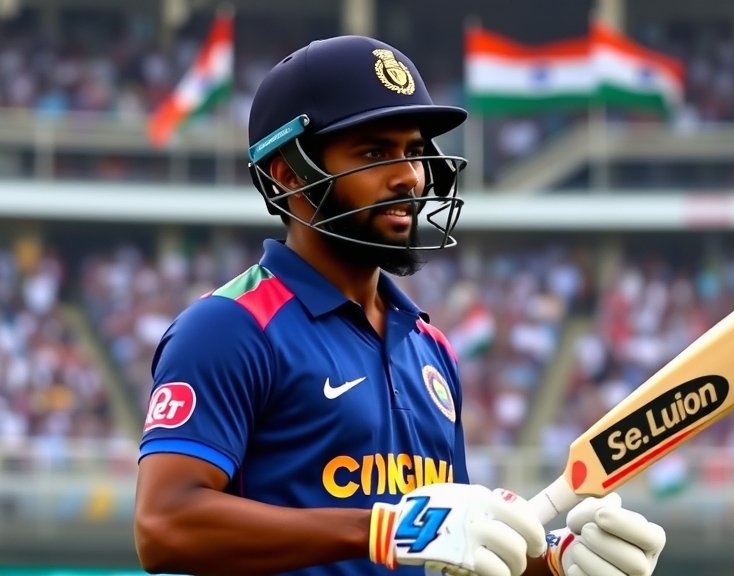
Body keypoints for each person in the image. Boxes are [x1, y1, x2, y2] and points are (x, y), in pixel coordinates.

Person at [133, 34, 666, 576]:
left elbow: (448, 553)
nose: (410, 176)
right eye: (374, 153)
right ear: (289, 176)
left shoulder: (432, 348)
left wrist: (552, 561)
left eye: (414, 152)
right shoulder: (229, 327)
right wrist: (384, 528)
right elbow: (164, 525)